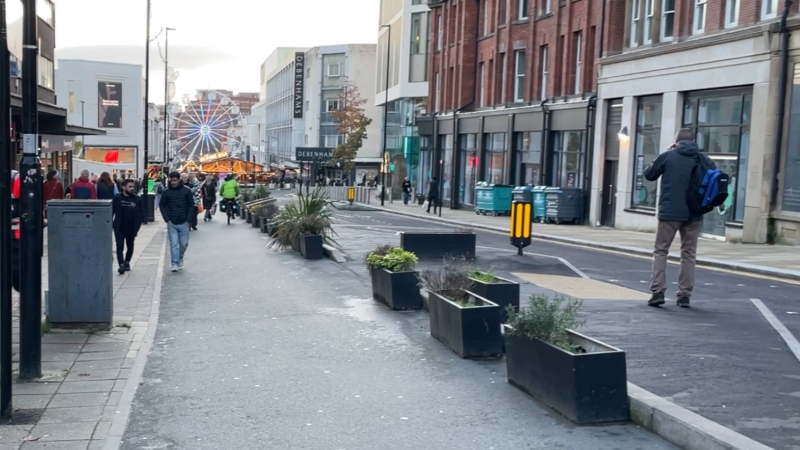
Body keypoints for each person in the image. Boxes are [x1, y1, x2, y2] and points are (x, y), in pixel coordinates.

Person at [644, 128, 715, 309]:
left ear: (676, 141)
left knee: (661, 251)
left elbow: (649, 174)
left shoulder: (669, 156)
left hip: (670, 213)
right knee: (688, 255)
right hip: (694, 213)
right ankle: (684, 295)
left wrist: (666, 152)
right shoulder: (703, 159)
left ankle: (658, 291)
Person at [160, 172, 194, 272]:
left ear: (179, 180)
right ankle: (174, 263)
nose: (173, 182)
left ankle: (180, 256)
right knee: (174, 244)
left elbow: (191, 205)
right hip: (172, 222)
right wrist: (167, 219)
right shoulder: (166, 192)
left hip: (184, 221)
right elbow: (162, 206)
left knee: (184, 244)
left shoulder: (186, 191)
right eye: (172, 180)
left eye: (175, 180)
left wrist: (189, 219)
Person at [112, 179, 143, 275]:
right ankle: (121, 264)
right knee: (119, 246)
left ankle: (127, 261)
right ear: (123, 187)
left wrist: (137, 227)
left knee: (130, 246)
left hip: (131, 227)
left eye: (133, 187)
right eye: (129, 187)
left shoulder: (137, 199)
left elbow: (140, 214)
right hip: (120, 227)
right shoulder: (117, 198)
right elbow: (112, 212)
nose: (132, 188)